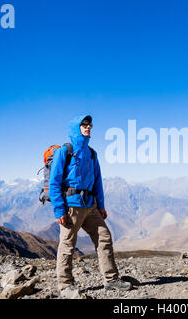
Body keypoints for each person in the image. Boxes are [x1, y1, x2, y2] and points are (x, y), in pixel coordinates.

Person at [49, 114, 131, 297]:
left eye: (90, 124)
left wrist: (101, 205)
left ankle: (111, 280)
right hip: (71, 207)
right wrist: (59, 209)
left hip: (90, 206)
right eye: (84, 124)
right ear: (76, 127)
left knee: (104, 237)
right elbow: (54, 182)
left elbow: (97, 182)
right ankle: (65, 286)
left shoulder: (92, 153)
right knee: (67, 245)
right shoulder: (65, 151)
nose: (88, 127)